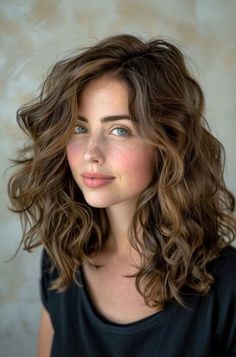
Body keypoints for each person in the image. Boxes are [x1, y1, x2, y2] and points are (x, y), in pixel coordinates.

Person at [8, 34, 236, 357]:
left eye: (119, 130)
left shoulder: (228, 287)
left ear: (167, 144)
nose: (91, 153)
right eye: (80, 127)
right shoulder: (60, 263)